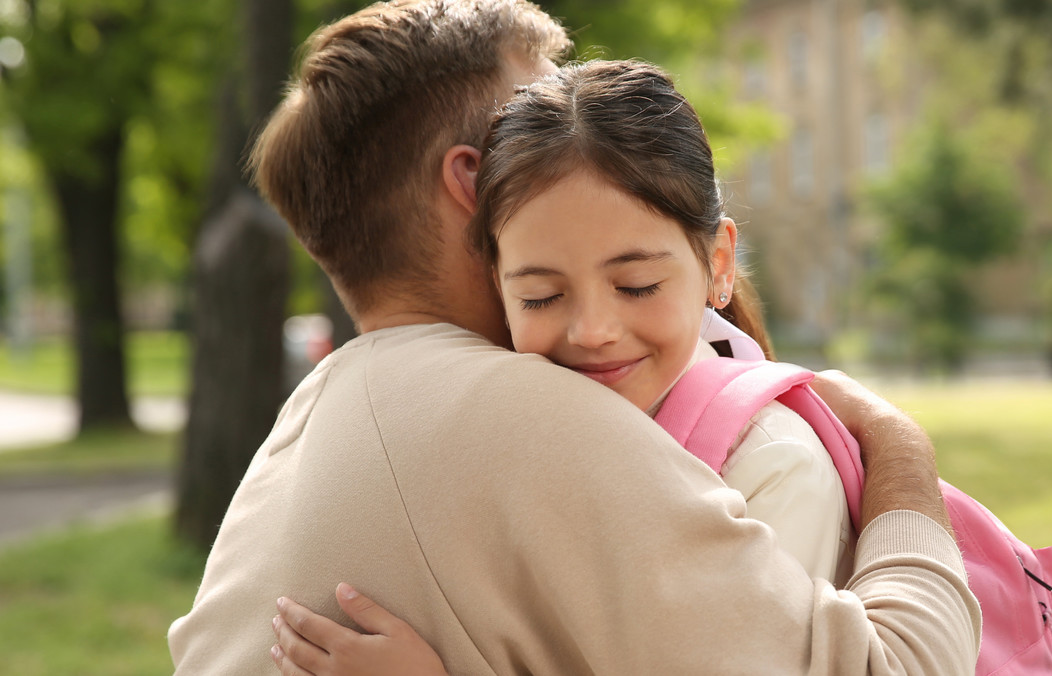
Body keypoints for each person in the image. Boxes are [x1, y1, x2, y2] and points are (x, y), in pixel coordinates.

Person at [168, 2, 981, 675]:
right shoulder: (535, 416)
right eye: (534, 112)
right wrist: (897, 445)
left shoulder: (293, 442)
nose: (570, 127)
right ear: (475, 180)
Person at [269, 59, 859, 674]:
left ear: (718, 264)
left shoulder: (770, 463)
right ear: (496, 283)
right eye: (541, 297)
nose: (592, 332)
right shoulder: (512, 437)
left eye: (636, 285)